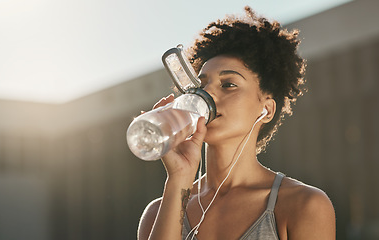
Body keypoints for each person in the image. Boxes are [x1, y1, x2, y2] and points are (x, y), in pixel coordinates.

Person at [137, 6, 336, 240]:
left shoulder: (303, 205)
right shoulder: (157, 213)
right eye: (200, 85)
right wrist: (179, 179)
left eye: (228, 84)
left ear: (266, 109)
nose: (207, 93)